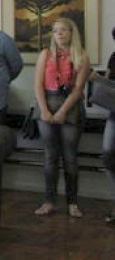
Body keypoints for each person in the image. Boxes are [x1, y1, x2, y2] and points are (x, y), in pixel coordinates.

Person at [33, 17, 91, 218]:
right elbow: (37, 85)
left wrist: (62, 111)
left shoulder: (81, 56)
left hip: (70, 107)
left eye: (64, 30)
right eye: (56, 30)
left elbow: (77, 90)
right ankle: (49, 201)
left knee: (70, 158)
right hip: (47, 102)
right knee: (50, 157)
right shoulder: (45, 54)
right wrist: (44, 110)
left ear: (72, 33)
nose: (59, 34)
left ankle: (72, 202)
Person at [97, 26, 115, 224]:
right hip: (114, 114)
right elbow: (110, 84)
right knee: (109, 155)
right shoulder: (114, 57)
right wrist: (100, 80)